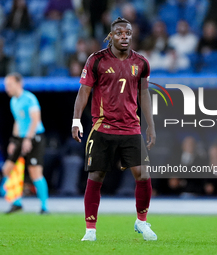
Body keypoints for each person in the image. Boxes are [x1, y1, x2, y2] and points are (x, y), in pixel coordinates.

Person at [72, 17, 157, 241]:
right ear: (111, 36)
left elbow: (144, 94)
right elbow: (84, 91)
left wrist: (150, 125)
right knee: (96, 176)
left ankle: (142, 222)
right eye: (119, 33)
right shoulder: (96, 60)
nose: (124, 37)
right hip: (103, 127)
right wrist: (76, 120)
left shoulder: (141, 63)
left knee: (144, 175)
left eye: (128, 33)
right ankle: (90, 229)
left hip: (131, 128)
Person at [1, 73, 49, 214]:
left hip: (35, 137)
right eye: (6, 86)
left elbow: (35, 120)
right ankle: (17, 203)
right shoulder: (13, 102)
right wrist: (14, 141)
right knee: (7, 169)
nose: (7, 88)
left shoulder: (29, 98)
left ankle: (44, 207)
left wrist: (28, 139)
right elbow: (18, 122)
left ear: (18, 84)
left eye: (9, 85)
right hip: (22, 138)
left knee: (35, 172)